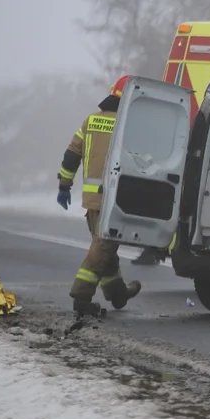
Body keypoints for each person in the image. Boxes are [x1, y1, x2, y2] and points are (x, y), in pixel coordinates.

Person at [56, 75, 143, 317]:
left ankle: (117, 293)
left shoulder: (91, 121)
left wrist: (64, 185)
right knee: (102, 248)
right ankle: (81, 296)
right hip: (115, 201)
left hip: (93, 201)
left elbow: (72, 154)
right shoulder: (129, 124)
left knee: (107, 248)